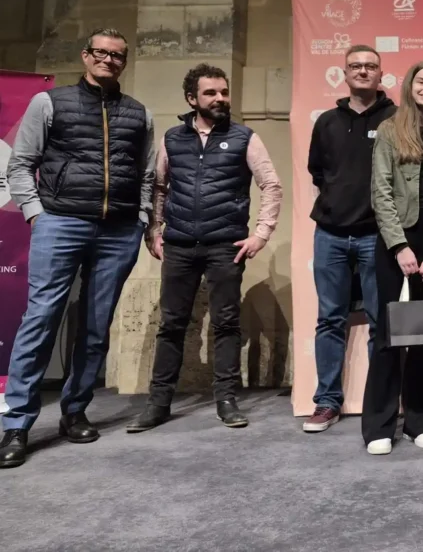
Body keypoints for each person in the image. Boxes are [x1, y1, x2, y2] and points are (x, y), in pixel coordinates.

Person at [0, 28, 155, 469]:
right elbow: (21, 163)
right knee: (41, 318)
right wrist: (36, 213)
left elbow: (145, 173)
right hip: (61, 222)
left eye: (117, 56)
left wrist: (142, 218)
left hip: (119, 230)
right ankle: (17, 424)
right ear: (86, 56)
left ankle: (74, 410)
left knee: (94, 324)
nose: (109, 60)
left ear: (124, 62)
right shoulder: (49, 103)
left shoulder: (138, 113)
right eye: (101, 53)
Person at [126, 64, 282, 432]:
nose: (220, 99)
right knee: (172, 325)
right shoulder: (172, 138)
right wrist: (154, 230)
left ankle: (226, 400)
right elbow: (159, 187)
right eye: (211, 93)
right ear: (191, 98)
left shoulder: (246, 137)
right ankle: (158, 403)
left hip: (224, 246)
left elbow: (271, 185)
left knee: (227, 323)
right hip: (179, 245)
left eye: (224, 92)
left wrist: (261, 234)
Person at [362, 61, 423, 455]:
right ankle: (379, 426)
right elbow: (380, 192)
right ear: (409, 86)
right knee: (388, 334)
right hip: (396, 244)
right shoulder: (389, 130)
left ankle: (421, 419)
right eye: (422, 81)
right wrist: (398, 245)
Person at [303, 45, 396, 433]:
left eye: (370, 66)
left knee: (380, 322)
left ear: (381, 74)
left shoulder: (395, 118)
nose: (363, 71)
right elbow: (318, 173)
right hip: (331, 234)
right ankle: (326, 402)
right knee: (330, 320)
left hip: (378, 235)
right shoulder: (326, 121)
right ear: (345, 73)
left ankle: (379, 402)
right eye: (356, 66)